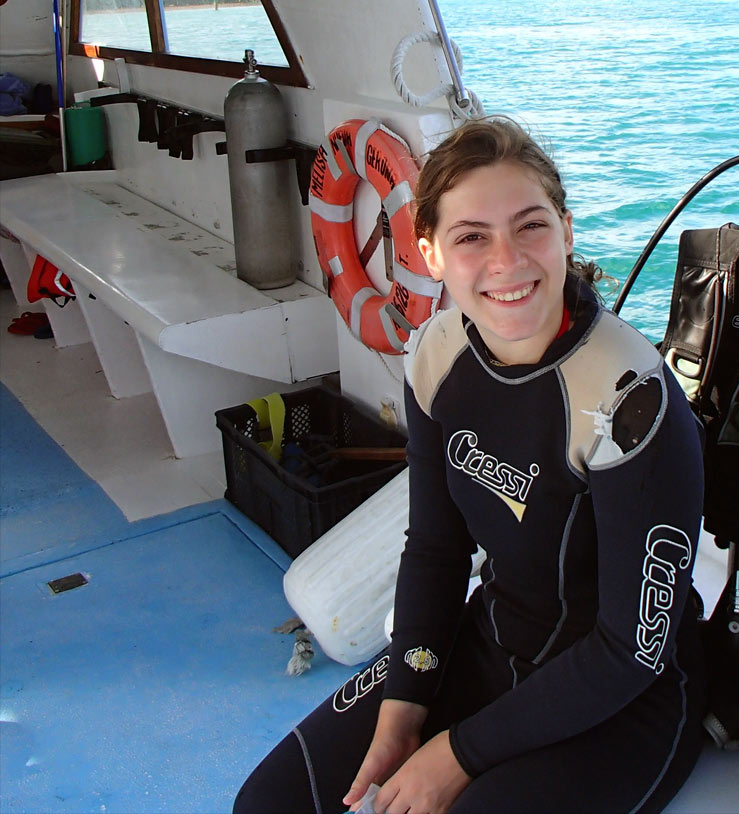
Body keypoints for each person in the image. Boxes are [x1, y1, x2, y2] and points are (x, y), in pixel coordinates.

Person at [234, 116, 707, 813]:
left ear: (567, 232)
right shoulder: (436, 354)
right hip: (490, 644)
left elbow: (630, 650)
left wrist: (456, 754)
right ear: (429, 254)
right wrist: (405, 706)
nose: (507, 261)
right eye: (471, 237)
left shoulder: (627, 399)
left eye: (531, 227)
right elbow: (434, 548)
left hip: (625, 696)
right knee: (270, 803)